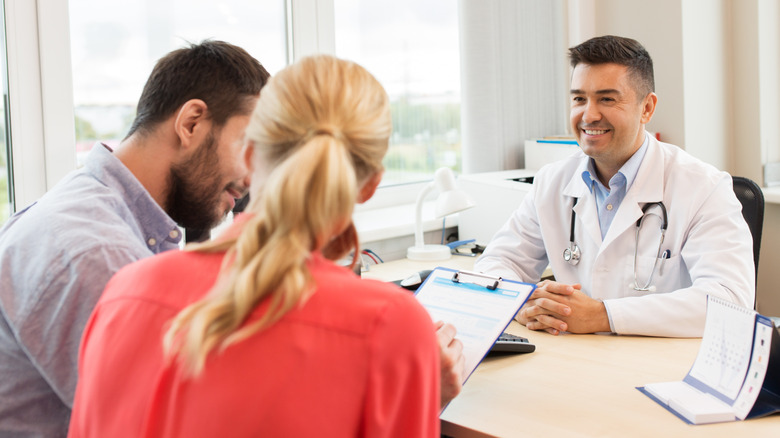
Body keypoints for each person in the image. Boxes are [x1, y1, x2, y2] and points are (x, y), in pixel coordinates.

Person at [68, 54, 443, 437]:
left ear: (250, 156)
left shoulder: (125, 291)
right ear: (370, 185)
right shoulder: (389, 328)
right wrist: (426, 392)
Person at [0, 40, 271, 437]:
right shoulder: (98, 255)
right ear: (191, 122)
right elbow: (165, 427)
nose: (251, 179)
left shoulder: (99, 209)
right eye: (249, 148)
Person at [475, 35, 754, 338]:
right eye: (579, 99)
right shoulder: (552, 182)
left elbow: (730, 301)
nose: (589, 115)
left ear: (647, 108)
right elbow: (497, 262)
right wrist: (524, 302)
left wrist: (604, 316)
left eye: (607, 99)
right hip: (576, 360)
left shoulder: (703, 187)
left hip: (665, 368)